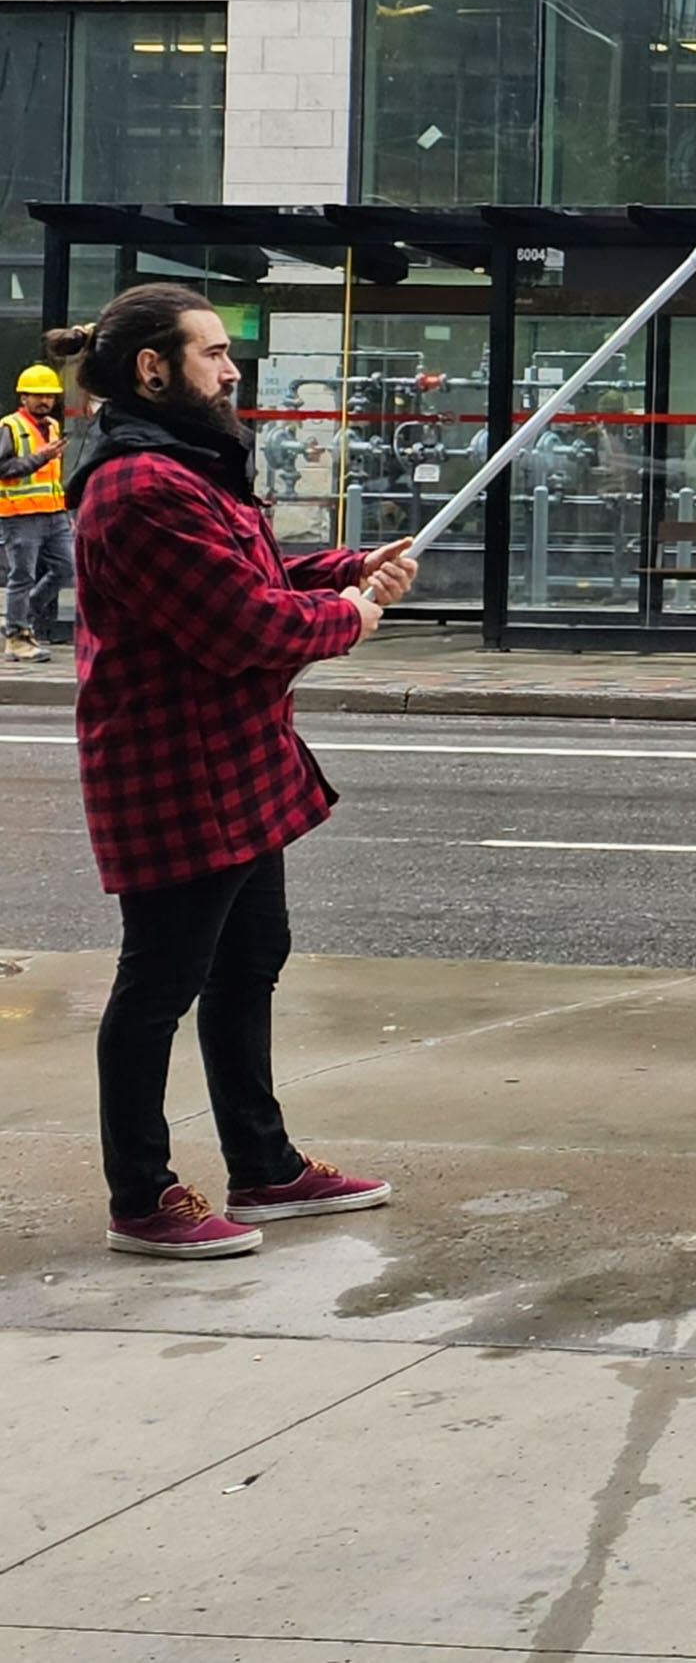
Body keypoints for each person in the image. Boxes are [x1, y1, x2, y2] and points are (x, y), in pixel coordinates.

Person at [50, 287, 417, 1260]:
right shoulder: (138, 487)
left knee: (251, 959)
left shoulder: (186, 467)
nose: (231, 369)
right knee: (157, 984)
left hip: (236, 761)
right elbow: (241, 624)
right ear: (152, 367)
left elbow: (252, 572)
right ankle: (142, 1194)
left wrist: (348, 564)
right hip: (175, 772)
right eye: (212, 352)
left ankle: (264, 1163)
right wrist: (352, 616)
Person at [1, 362, 73, 663]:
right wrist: (40, 458)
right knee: (22, 576)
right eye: (38, 395)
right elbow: (3, 469)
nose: (45, 401)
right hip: (21, 517)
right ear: (24, 398)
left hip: (54, 514)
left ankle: (21, 617)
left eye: (50, 396)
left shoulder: (54, 427)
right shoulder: (10, 427)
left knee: (66, 569)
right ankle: (17, 637)